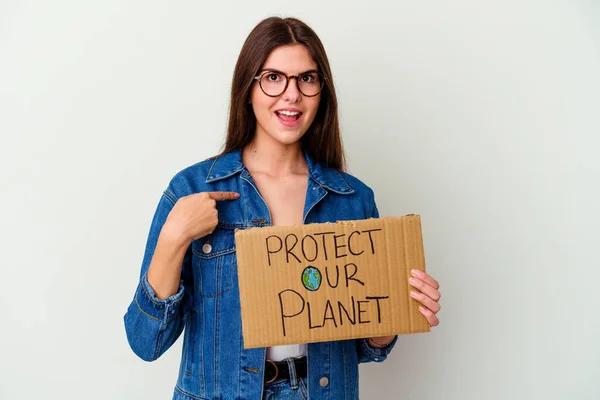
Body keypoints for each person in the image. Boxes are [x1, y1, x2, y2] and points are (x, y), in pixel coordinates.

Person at [123, 16, 441, 400]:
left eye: (306, 78)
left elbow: (365, 347)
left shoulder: (353, 199)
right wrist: (174, 237)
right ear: (248, 87)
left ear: (321, 90)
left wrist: (395, 311)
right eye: (274, 77)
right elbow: (145, 342)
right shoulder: (190, 190)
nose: (292, 94)